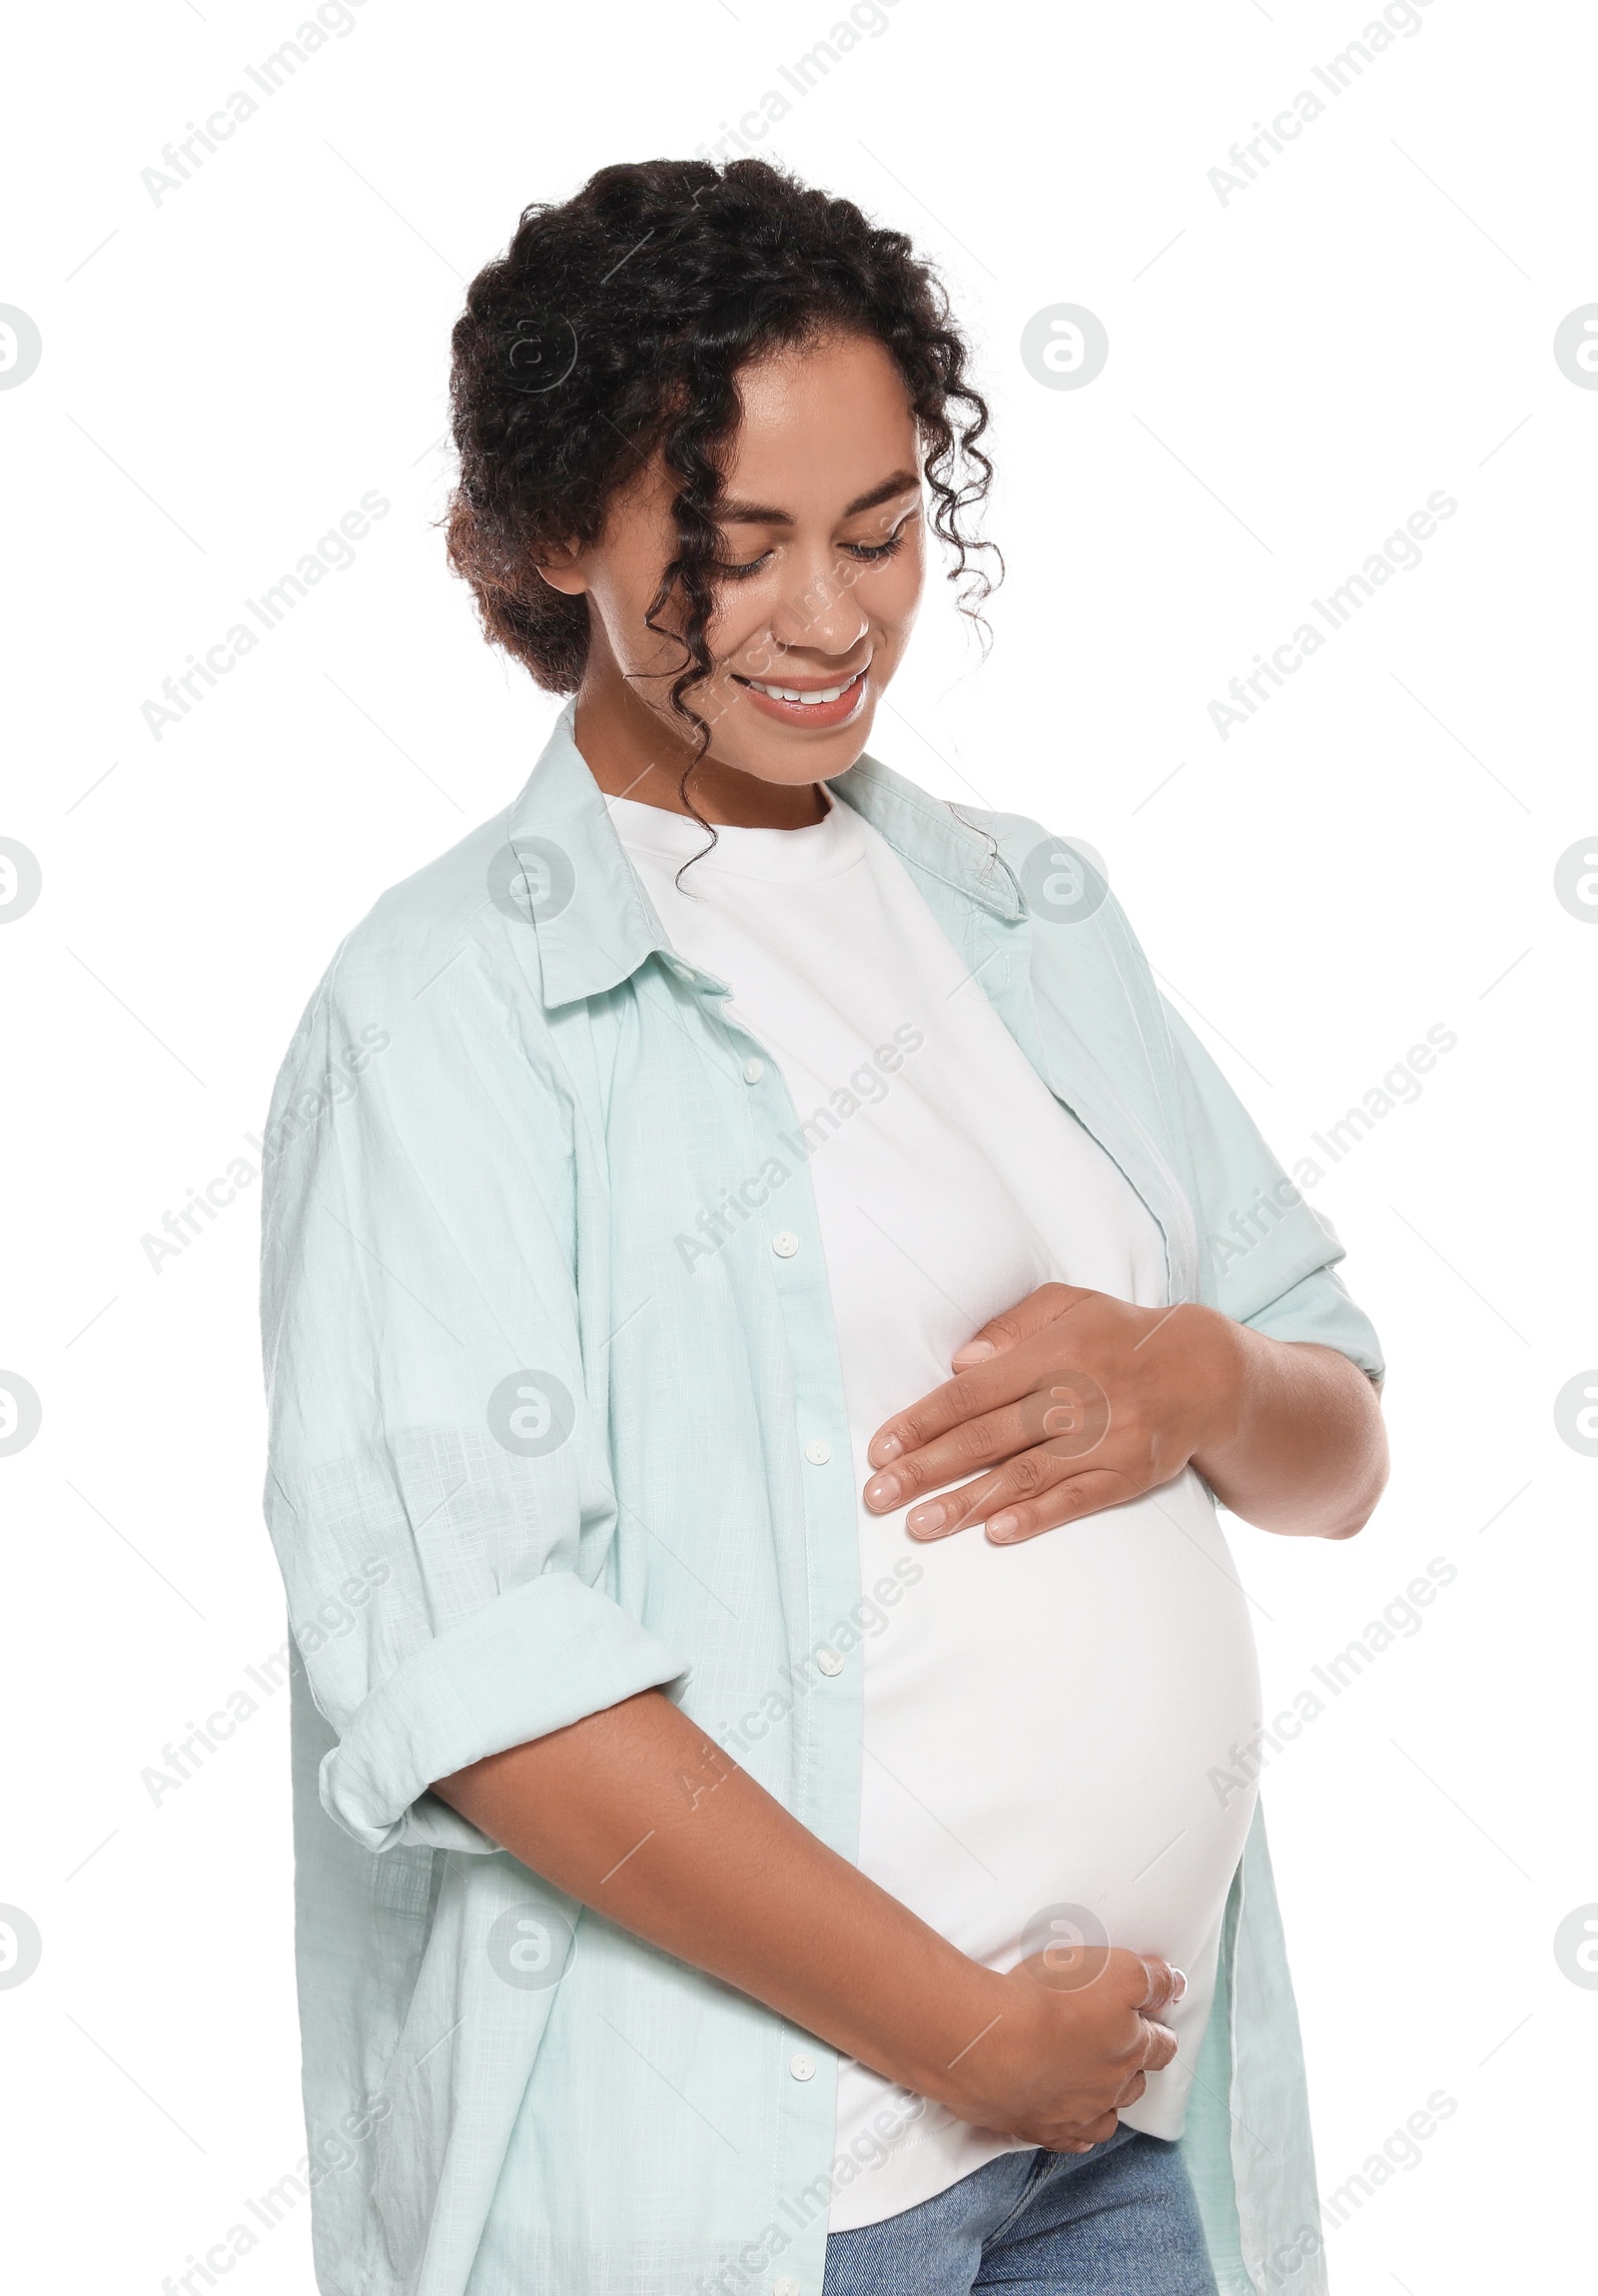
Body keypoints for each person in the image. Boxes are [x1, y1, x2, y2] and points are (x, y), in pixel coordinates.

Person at [259, 157, 1387, 2296]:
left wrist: (1200, 1377)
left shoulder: (1024, 911)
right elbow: (485, 1685)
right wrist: (957, 2031)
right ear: (545, 540)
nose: (827, 616)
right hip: (748, 2184)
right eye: (730, 547)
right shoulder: (444, 1006)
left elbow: (1336, 1446)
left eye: (878, 529)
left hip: (1131, 2128)